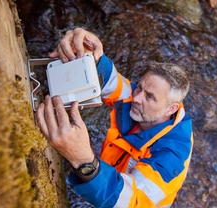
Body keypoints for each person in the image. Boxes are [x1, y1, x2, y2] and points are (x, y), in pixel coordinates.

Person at [36, 28, 193, 208]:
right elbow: (112, 82)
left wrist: (83, 160)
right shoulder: (145, 104)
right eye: (139, 87)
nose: (137, 97)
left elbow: (132, 203)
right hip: (117, 176)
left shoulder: (170, 158)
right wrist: (88, 54)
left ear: (171, 109)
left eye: (150, 97)